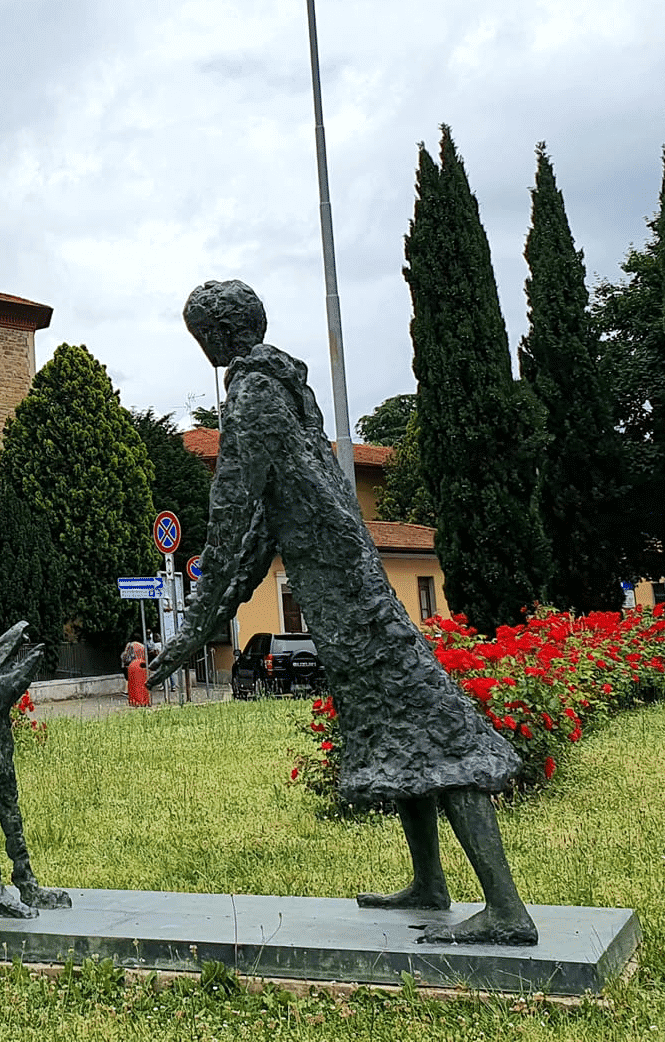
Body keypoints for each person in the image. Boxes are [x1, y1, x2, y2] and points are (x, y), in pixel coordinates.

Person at [150, 279, 537, 946]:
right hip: (344, 598)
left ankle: (506, 908)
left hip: (354, 601)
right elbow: (263, 534)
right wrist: (197, 629)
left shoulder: (254, 394)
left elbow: (233, 509)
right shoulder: (284, 387)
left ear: (216, 332)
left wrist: (189, 633)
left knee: (439, 734)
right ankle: (431, 883)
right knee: (401, 739)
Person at [121, 635, 150, 707]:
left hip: (133, 665)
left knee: (133, 683)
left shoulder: (130, 645)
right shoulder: (143, 646)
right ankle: (144, 700)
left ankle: (134, 701)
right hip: (142, 665)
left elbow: (126, 655)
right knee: (142, 684)